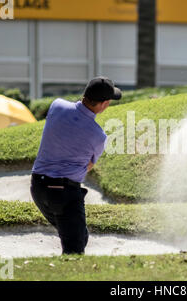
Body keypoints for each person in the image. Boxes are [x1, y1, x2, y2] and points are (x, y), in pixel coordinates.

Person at [30, 76, 122, 255]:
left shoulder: (56, 105)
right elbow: (88, 165)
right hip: (65, 194)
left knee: (78, 236)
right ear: (103, 104)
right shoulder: (99, 137)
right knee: (74, 249)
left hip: (38, 189)